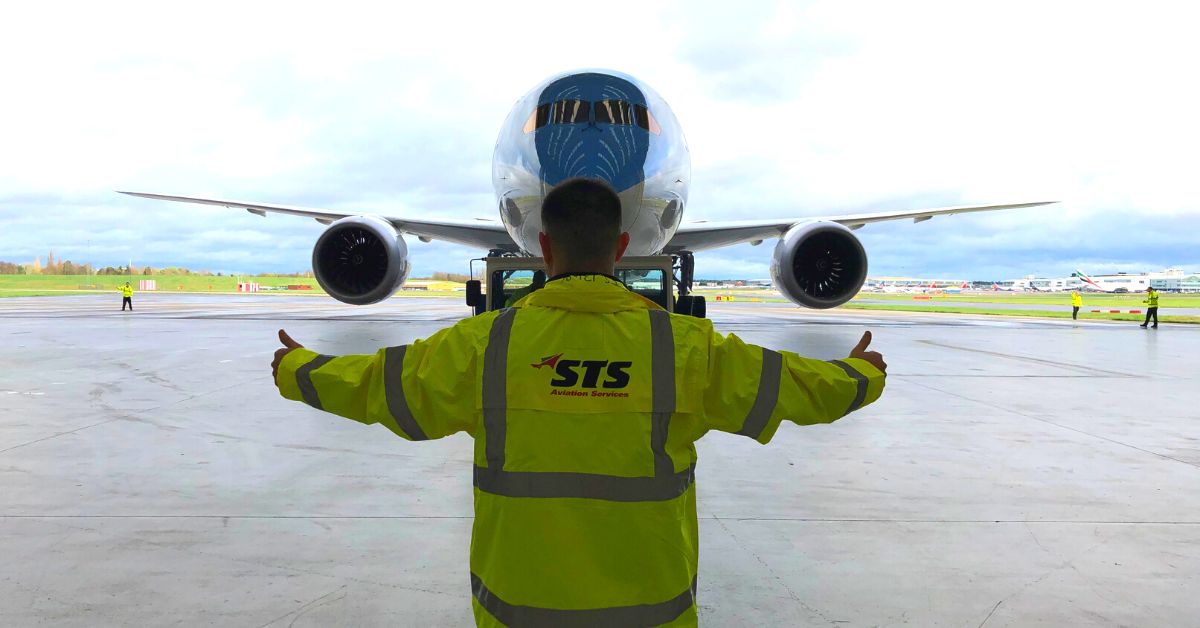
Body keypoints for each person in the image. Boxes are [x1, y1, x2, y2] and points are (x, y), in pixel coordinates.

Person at [270, 177, 887, 627]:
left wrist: (299, 368)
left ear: (543, 247)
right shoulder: (685, 348)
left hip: (520, 606)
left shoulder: (483, 345)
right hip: (650, 608)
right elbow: (788, 388)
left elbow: (381, 386)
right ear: (621, 248)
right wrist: (860, 375)